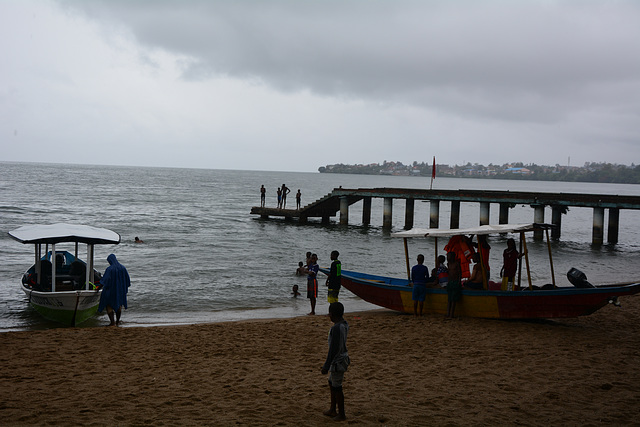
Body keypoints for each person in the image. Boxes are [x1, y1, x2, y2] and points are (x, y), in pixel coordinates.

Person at [321, 302, 350, 422]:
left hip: (338, 361)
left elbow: (333, 349)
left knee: (337, 387)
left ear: (332, 314)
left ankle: (341, 414)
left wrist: (326, 365)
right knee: (331, 382)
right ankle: (333, 409)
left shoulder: (337, 328)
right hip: (340, 359)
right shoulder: (344, 324)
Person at [98, 254, 131, 326]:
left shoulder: (109, 269)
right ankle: (117, 321)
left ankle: (112, 322)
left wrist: (98, 288)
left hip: (110, 290)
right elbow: (127, 280)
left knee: (108, 305)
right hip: (120, 291)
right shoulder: (123, 268)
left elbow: (105, 280)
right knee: (119, 305)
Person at [446, 251, 461, 319]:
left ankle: (451, 314)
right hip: (450, 282)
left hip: (455, 282)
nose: (447, 257)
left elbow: (459, 273)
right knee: (449, 299)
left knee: (453, 299)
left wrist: (458, 282)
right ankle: (448, 314)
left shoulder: (456, 264)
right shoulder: (448, 264)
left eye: (449, 256)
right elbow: (449, 273)